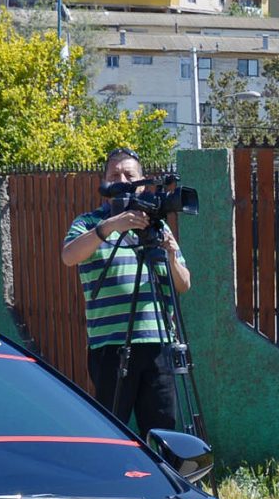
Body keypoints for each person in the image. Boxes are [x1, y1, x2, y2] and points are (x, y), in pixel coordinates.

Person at [60, 148, 191, 436]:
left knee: (163, 431)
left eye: (129, 175)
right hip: (111, 345)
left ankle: (162, 479)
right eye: (115, 175)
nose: (122, 180)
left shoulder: (157, 225)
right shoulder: (89, 222)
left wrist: (169, 253)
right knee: (112, 430)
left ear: (142, 181)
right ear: (105, 183)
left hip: (159, 344)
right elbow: (69, 256)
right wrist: (110, 226)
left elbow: (184, 284)